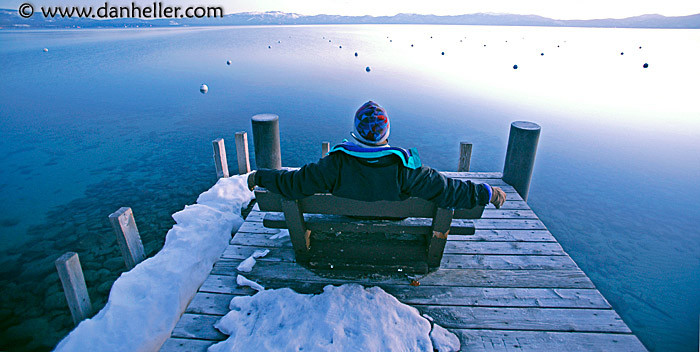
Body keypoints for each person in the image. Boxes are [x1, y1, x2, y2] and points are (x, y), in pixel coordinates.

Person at [247, 101, 506, 210]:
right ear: (386, 133)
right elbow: (448, 189)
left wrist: (261, 176)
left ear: (356, 132)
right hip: (391, 221)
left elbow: (292, 185)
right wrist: (485, 192)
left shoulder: (334, 163)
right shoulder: (407, 169)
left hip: (346, 218)